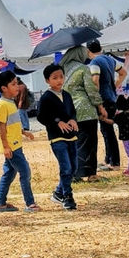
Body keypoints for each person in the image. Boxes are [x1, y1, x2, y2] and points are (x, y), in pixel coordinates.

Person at [0, 70, 39, 213]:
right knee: (25, 171)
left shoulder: (10, 102)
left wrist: (24, 132)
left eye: (17, 83)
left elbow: (12, 124)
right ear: (4, 88)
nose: (17, 86)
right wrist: (6, 147)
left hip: (15, 144)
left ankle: (0, 204)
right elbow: (1, 127)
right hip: (12, 147)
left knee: (9, 173)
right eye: (13, 84)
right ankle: (30, 203)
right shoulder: (2, 105)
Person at [60, 46, 106, 183]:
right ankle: (91, 174)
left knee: (73, 143)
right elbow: (91, 90)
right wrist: (101, 107)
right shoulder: (83, 68)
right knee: (90, 142)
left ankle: (75, 174)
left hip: (67, 110)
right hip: (85, 110)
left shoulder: (61, 70)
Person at [37, 63, 79, 211]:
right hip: (57, 138)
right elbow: (41, 116)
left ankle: (58, 192)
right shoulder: (46, 97)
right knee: (65, 167)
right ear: (47, 80)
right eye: (55, 78)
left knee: (74, 168)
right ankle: (68, 196)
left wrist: (73, 119)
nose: (59, 80)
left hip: (71, 136)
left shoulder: (67, 95)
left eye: (61, 77)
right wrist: (57, 122)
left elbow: (72, 111)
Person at [86, 39, 127, 171]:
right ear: (101, 48)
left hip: (103, 100)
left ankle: (115, 162)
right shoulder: (110, 60)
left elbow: (95, 80)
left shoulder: (94, 62)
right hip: (112, 98)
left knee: (107, 132)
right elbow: (123, 73)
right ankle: (108, 159)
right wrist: (114, 86)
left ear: (88, 51)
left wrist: (95, 98)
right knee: (106, 131)